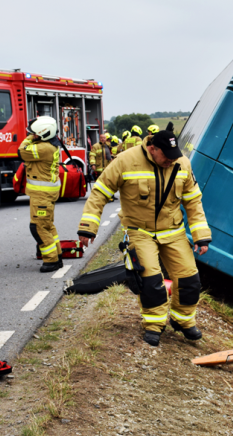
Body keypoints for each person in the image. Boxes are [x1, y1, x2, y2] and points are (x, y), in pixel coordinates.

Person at [77, 130, 212, 347]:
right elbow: (100, 192)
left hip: (174, 231)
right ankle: (153, 325)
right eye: (166, 156)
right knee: (150, 280)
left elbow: (193, 202)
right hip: (140, 232)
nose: (171, 160)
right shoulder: (126, 161)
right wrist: (88, 227)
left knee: (189, 279)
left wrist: (201, 236)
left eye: (174, 155)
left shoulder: (182, 163)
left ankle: (184, 321)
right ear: (152, 148)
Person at [19, 116, 63, 273]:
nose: (33, 135)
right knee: (47, 225)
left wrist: (29, 137)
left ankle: (51, 260)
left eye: (36, 133)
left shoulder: (43, 148)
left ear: (44, 134)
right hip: (45, 194)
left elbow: (21, 151)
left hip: (42, 195)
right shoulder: (50, 144)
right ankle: (57, 256)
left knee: (38, 227)